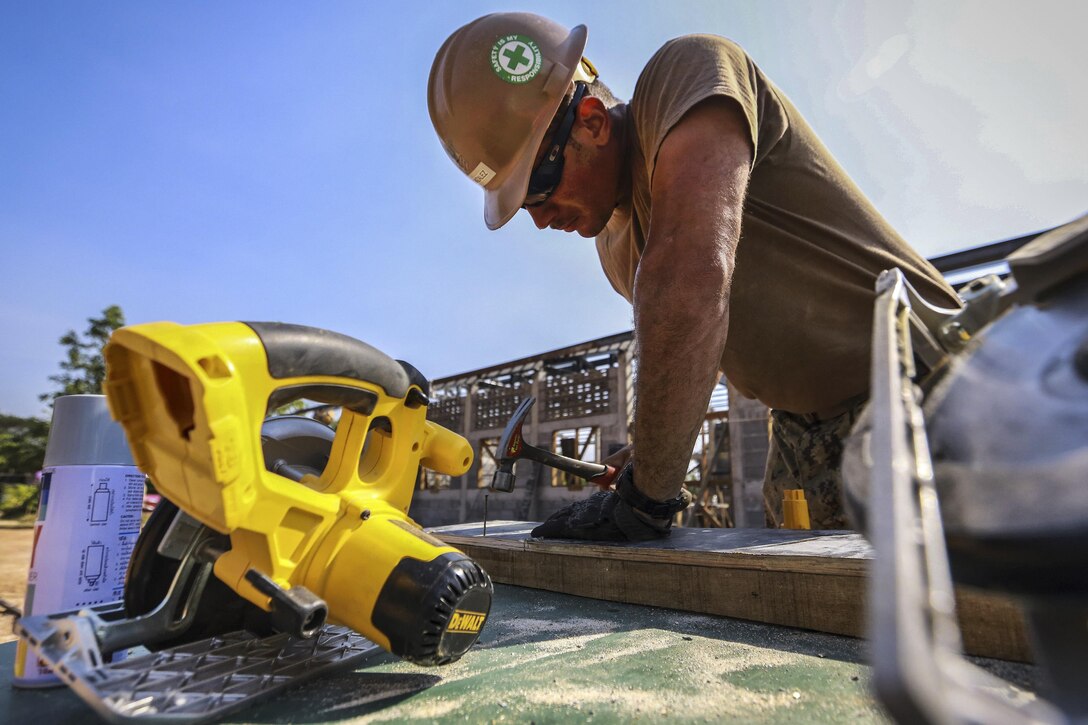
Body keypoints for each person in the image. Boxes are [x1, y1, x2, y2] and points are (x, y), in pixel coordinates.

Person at [427, 12, 960, 541]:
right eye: (523, 207)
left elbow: (692, 277)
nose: (541, 218)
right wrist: (657, 446)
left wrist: (645, 495)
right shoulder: (615, 247)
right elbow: (705, 338)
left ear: (591, 120)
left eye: (539, 188)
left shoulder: (685, 75)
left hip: (930, 395)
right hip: (803, 440)